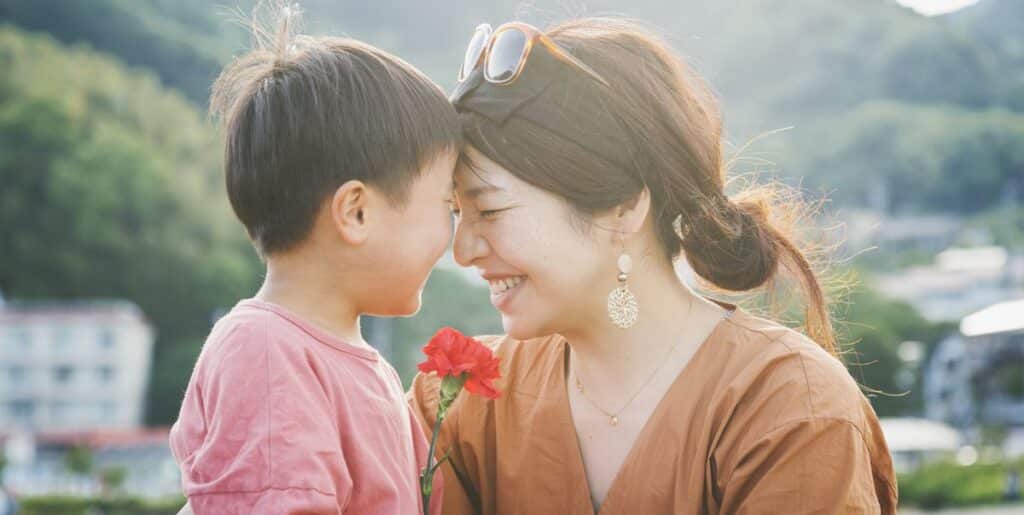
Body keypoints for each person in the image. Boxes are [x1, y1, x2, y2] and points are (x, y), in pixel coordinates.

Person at [409, 18, 898, 514]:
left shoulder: (788, 406)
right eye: (456, 214)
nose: (463, 251)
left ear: (624, 206)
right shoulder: (462, 401)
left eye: (489, 211)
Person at [169, 6, 460, 514]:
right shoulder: (263, 352)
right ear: (357, 212)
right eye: (447, 206)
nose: (454, 238)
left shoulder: (354, 364)